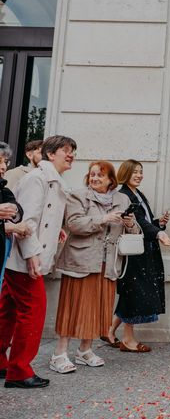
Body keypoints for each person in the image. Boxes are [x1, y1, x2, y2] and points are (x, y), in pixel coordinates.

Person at [0, 135, 76, 389]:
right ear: (50, 154)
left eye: (73, 151)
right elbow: (27, 220)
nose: (71, 155)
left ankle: (2, 363)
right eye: (66, 150)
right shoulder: (37, 179)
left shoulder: (52, 180)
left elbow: (44, 216)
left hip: (23, 259)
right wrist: (32, 255)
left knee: (8, 311)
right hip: (26, 260)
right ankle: (19, 371)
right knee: (32, 313)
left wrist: (57, 231)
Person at [50, 161, 138, 374]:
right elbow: (74, 224)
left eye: (100, 175)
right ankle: (59, 354)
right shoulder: (78, 196)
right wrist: (104, 218)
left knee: (99, 308)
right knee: (73, 307)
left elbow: (134, 230)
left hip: (108, 264)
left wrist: (128, 223)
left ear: (111, 180)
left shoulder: (122, 199)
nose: (95, 178)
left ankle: (85, 350)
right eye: (92, 175)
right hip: (82, 260)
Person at [103, 159, 170, 353]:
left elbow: (144, 222)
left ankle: (109, 331)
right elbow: (138, 222)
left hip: (142, 250)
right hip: (133, 253)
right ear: (125, 173)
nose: (139, 175)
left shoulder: (137, 194)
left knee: (130, 293)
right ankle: (128, 339)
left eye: (141, 172)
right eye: (135, 172)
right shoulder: (124, 195)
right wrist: (159, 233)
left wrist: (159, 223)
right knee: (134, 293)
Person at [0, 142, 26, 295]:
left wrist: (14, 210)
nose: (3, 167)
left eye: (5, 162)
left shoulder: (4, 190)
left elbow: (18, 210)